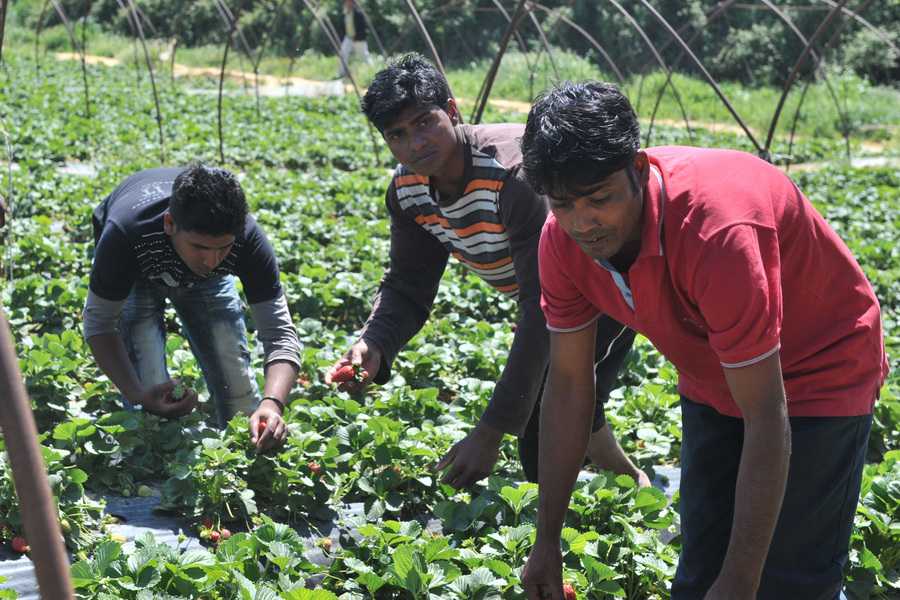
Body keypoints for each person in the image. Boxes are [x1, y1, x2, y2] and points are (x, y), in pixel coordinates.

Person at [519, 81, 888, 599]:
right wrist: (546, 541)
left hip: (819, 366)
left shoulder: (717, 233)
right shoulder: (561, 244)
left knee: (789, 581)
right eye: (563, 204)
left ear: (640, 171)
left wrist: (739, 581)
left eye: (600, 199)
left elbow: (766, 410)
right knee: (698, 574)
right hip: (713, 371)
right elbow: (569, 385)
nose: (584, 222)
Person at [325, 54, 648, 490]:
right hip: (552, 299)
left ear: (452, 111)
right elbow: (408, 283)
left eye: (424, 122)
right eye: (396, 134)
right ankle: (633, 484)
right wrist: (375, 342)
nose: (415, 143)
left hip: (604, 282)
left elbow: (541, 307)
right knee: (575, 406)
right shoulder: (407, 191)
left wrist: (491, 429)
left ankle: (562, 532)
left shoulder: (511, 177)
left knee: (548, 412)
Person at [83, 164, 301, 451]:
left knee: (238, 391)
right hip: (137, 271)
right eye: (199, 247)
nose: (211, 261)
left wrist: (272, 404)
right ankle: (159, 456)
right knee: (152, 399)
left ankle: (238, 459)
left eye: (222, 248)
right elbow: (99, 323)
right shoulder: (124, 234)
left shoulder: (247, 239)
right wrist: (137, 394)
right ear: (170, 223)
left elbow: (280, 334)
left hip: (209, 284)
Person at [338, 0, 371, 78]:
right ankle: (342, 73)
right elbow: (343, 26)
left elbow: (363, 27)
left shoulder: (358, 13)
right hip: (348, 37)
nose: (347, 3)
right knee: (343, 53)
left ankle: (371, 71)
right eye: (346, 2)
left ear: (353, 3)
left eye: (349, 2)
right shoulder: (346, 13)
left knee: (364, 56)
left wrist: (357, 37)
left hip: (359, 39)